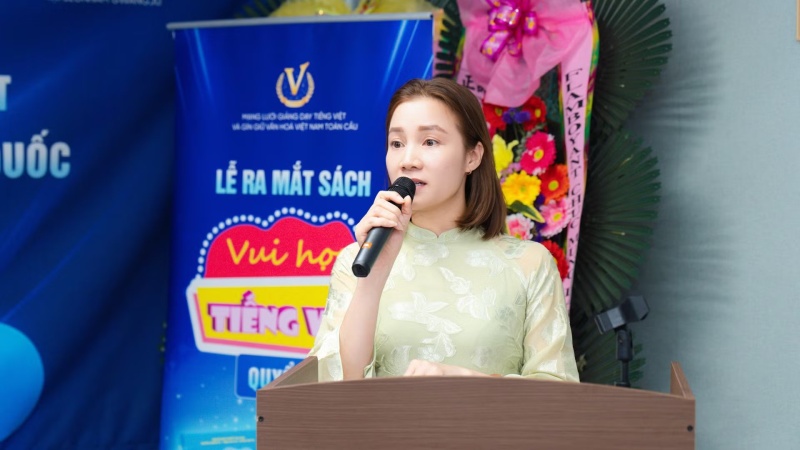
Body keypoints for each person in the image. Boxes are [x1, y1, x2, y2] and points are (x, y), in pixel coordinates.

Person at [308, 77, 579, 382]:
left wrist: (461, 380)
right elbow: (335, 386)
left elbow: (557, 392)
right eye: (396, 143)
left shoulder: (529, 263)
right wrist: (372, 279)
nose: (408, 160)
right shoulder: (355, 260)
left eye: (430, 142)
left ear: (472, 156)